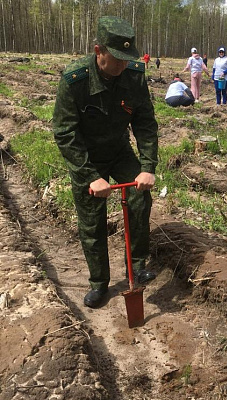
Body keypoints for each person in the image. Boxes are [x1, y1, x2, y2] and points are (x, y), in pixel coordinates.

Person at [53, 16, 159, 308]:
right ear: (98, 50)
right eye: (116, 59)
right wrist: (89, 176)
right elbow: (64, 133)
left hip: (119, 151)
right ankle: (99, 283)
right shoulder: (75, 82)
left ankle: (137, 265)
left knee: (140, 200)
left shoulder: (134, 76)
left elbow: (145, 123)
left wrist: (147, 167)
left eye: (127, 59)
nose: (122, 65)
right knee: (92, 222)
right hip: (87, 158)